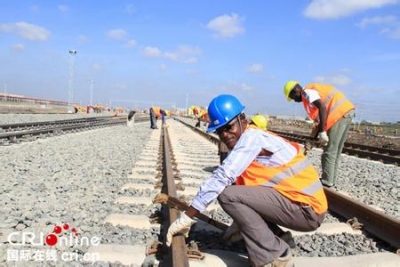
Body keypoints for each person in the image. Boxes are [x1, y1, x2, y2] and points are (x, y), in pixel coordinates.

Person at [166, 94, 327, 267]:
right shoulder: (249, 142)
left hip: (307, 211)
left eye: (229, 127)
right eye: (220, 131)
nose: (225, 135)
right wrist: (241, 224)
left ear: (243, 119)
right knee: (234, 189)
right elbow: (250, 194)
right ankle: (281, 239)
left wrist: (187, 218)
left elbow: (221, 178)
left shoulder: (252, 138)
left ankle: (275, 256)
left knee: (227, 195)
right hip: (301, 206)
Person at [283, 81, 355, 187]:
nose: (295, 101)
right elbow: (319, 120)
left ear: (295, 91)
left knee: (329, 152)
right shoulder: (309, 97)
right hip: (346, 112)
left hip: (339, 115)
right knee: (335, 151)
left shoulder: (306, 93)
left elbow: (322, 108)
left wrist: (322, 132)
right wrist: (310, 141)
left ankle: (327, 182)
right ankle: (331, 180)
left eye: (293, 97)